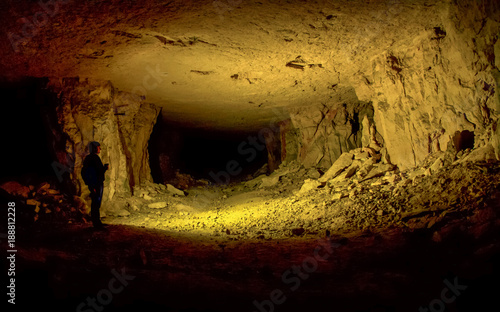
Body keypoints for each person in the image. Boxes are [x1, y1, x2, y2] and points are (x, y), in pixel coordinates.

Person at [81, 141, 109, 229]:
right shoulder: (94, 158)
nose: (100, 149)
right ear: (94, 148)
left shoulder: (89, 158)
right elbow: (99, 171)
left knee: (96, 203)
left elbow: (86, 171)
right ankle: (97, 224)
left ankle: (97, 222)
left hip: (94, 184)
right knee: (96, 203)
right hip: (96, 184)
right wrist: (105, 167)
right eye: (98, 147)